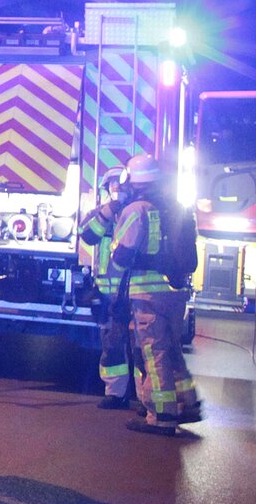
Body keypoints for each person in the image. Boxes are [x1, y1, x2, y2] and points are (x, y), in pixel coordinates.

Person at [111, 153, 203, 435]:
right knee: (171, 349)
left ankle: (161, 415)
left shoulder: (136, 210)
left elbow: (121, 256)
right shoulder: (177, 207)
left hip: (148, 294)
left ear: (134, 181)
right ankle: (186, 404)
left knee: (154, 352)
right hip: (175, 291)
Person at [78, 169, 132, 409]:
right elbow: (87, 235)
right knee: (111, 346)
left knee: (141, 347)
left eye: (119, 185)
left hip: (133, 290)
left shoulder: (137, 212)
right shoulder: (101, 214)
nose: (116, 190)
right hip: (107, 293)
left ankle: (146, 398)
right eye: (112, 186)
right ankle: (115, 393)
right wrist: (109, 210)